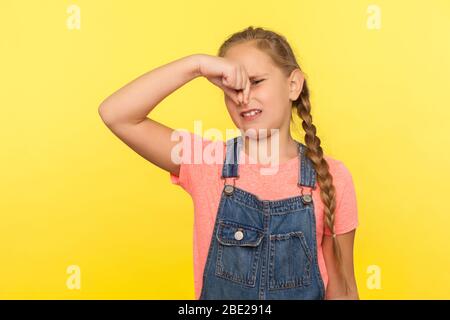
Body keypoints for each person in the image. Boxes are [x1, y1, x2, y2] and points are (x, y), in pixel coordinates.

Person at [98, 26, 359, 300]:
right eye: (232, 88)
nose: (242, 98)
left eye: (256, 81)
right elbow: (116, 114)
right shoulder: (206, 162)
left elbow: (343, 290)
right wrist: (196, 65)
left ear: (293, 84)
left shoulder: (331, 176)